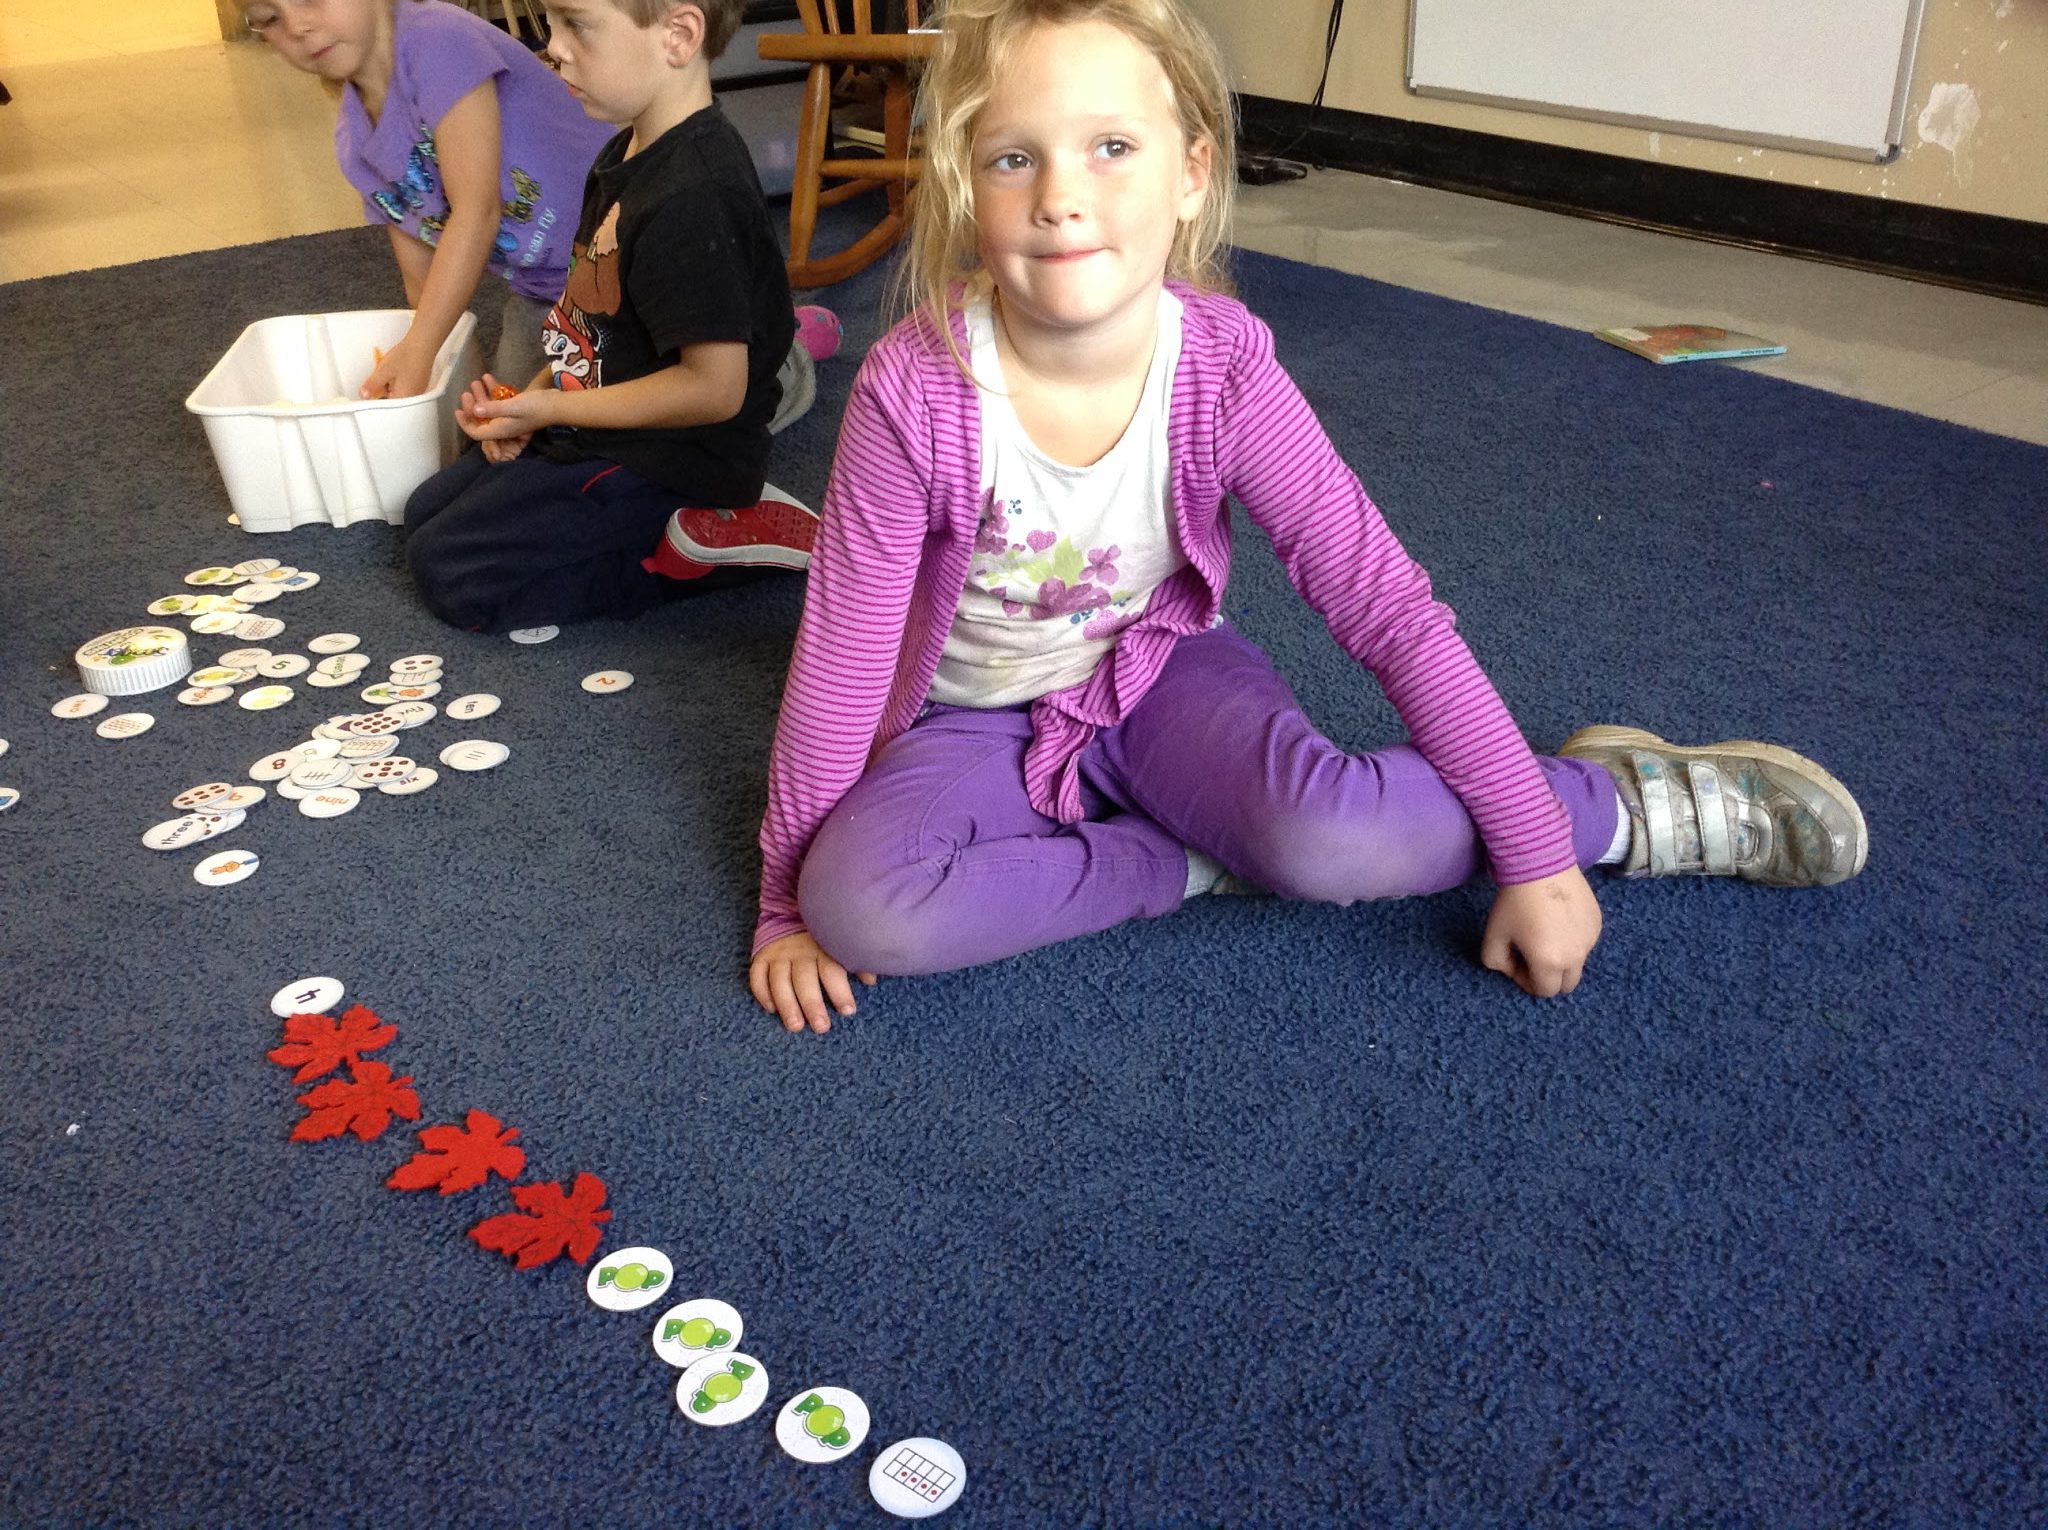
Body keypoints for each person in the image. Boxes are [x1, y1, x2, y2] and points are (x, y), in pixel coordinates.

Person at [745, 0, 1868, 1034]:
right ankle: (1189, 861)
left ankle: (1618, 801)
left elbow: (1385, 608)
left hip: (1159, 676)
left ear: (1192, 173)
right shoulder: (915, 388)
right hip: (970, 717)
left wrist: (1537, 850)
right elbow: (842, 665)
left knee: (1323, 838)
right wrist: (784, 905)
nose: (1059, 196)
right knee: (862, 907)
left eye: (1111, 147)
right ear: (965, 185)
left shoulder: (1223, 370)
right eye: (1012, 158)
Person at [403, 0, 828, 632]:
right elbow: (586, 322)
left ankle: (707, 547)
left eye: (576, 25)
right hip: (598, 423)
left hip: (675, 461)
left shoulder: (695, 195)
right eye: (552, 25)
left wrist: (552, 409)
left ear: (679, 35)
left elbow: (715, 389)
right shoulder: (625, 152)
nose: (554, 48)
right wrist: (529, 403)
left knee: (451, 573)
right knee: (423, 510)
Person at [241, 0, 613, 398]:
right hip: (547, 295)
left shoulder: (438, 38)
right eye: (270, 19)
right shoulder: (354, 147)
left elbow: (477, 212)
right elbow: (422, 284)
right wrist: (449, 383)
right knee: (503, 416)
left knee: (583, 417)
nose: (296, 26)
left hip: (626, 251)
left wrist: (419, 351)